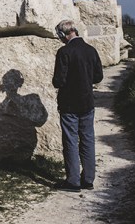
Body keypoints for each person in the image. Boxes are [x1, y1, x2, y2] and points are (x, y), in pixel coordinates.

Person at [52, 19, 103, 192]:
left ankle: (73, 181)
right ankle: (88, 179)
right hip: (87, 102)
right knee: (88, 140)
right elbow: (98, 77)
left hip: (69, 104)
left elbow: (59, 81)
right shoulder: (91, 50)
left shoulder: (64, 52)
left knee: (71, 141)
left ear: (63, 34)